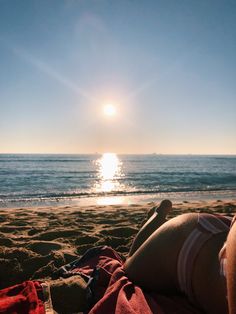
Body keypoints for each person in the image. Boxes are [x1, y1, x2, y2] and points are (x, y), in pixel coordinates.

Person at [125, 200, 233, 314]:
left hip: (217, 236)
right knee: (130, 267)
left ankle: (158, 231)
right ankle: (155, 218)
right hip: (189, 240)